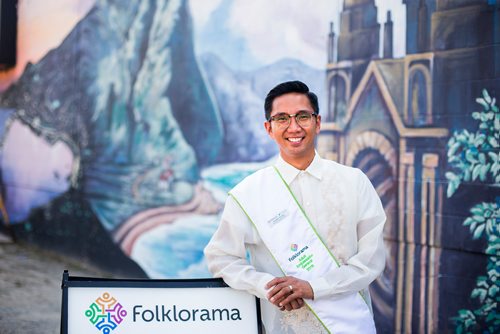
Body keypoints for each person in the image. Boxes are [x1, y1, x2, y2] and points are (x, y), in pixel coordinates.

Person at [204, 80, 386, 333]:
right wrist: (268, 286)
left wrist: (315, 287)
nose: (294, 127)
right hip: (285, 327)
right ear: (269, 128)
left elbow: (371, 258)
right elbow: (221, 258)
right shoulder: (248, 194)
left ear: (317, 122)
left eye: (302, 116)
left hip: (349, 324)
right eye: (281, 119)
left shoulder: (354, 182)